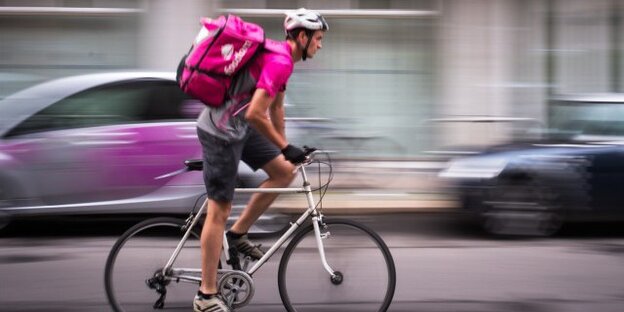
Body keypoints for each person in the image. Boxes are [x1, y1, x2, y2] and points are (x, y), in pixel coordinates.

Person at [193, 8, 329, 312]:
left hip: (240, 127)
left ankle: (238, 233)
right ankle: (206, 296)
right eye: (318, 38)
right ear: (302, 36)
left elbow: (276, 110)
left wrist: (287, 149)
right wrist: (283, 144)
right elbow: (256, 112)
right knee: (219, 209)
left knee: (283, 172)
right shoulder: (280, 61)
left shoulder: (283, 61)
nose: (320, 45)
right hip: (221, 131)